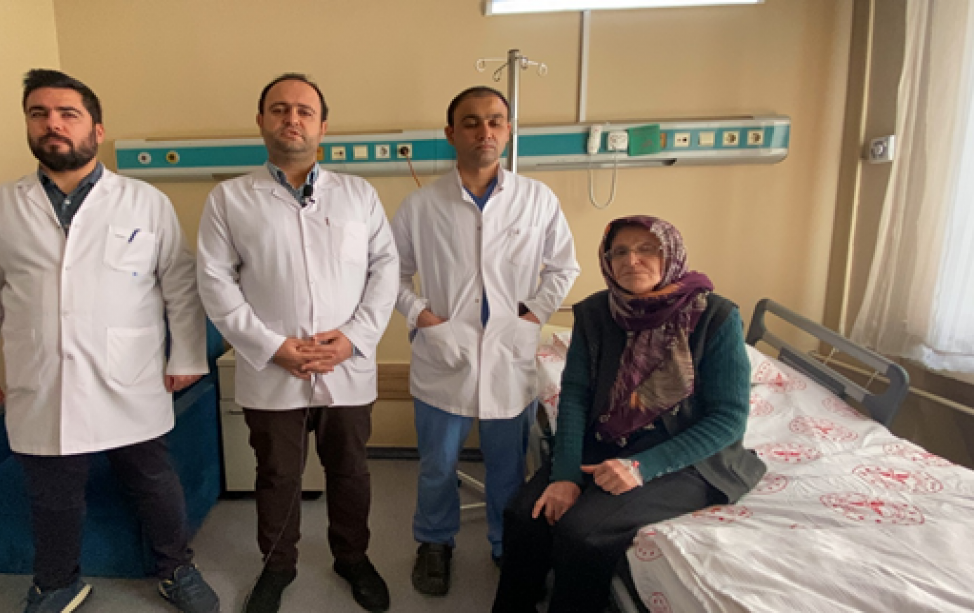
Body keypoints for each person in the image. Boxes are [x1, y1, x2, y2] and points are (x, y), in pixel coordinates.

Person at [0, 69, 219, 613]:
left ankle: (176, 570)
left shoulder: (145, 202)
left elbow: (180, 288)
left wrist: (187, 356)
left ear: (96, 129)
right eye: (39, 114)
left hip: (130, 371)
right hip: (42, 373)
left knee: (154, 482)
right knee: (51, 494)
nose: (53, 124)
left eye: (67, 114)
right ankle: (56, 583)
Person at [196, 73, 398, 613]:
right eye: (280, 109)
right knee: (277, 476)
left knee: (350, 471)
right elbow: (215, 283)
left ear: (323, 126)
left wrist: (353, 339)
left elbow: (385, 270)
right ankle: (277, 566)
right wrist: (271, 346)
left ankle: (353, 558)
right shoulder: (229, 199)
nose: (292, 119)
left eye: (305, 111)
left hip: (345, 366)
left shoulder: (359, 195)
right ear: (260, 121)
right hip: (272, 367)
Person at [493, 215, 766, 613]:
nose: (631, 260)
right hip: (607, 438)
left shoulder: (715, 316)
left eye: (646, 249)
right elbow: (576, 396)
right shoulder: (595, 313)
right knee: (525, 515)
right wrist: (565, 475)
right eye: (619, 252)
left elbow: (728, 418)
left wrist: (641, 466)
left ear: (671, 254)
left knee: (583, 532)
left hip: (686, 456)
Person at [390, 86, 579, 596]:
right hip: (444, 355)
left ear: (509, 130)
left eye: (495, 120)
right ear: (451, 133)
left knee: (508, 467)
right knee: (437, 465)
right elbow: (389, 274)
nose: (484, 131)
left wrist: (533, 315)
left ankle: (505, 542)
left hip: (509, 357)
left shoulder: (537, 200)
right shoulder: (421, 205)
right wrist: (423, 317)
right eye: (471, 122)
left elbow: (564, 267)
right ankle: (434, 541)